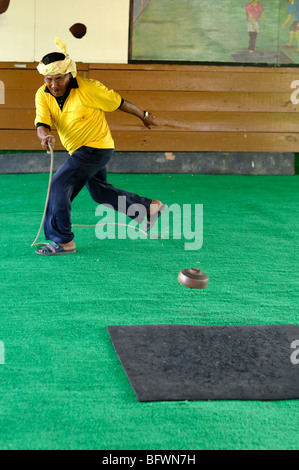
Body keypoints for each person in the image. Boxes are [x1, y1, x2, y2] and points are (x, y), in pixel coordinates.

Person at [34, 38, 167, 256]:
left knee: (59, 185)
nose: (54, 85)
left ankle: (63, 240)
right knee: (99, 192)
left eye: (58, 79)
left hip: (96, 148)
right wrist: (44, 135)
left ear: (70, 74)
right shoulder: (42, 94)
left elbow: (119, 103)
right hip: (79, 150)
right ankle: (148, 208)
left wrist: (143, 116)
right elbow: (42, 122)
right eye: (49, 79)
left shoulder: (90, 89)